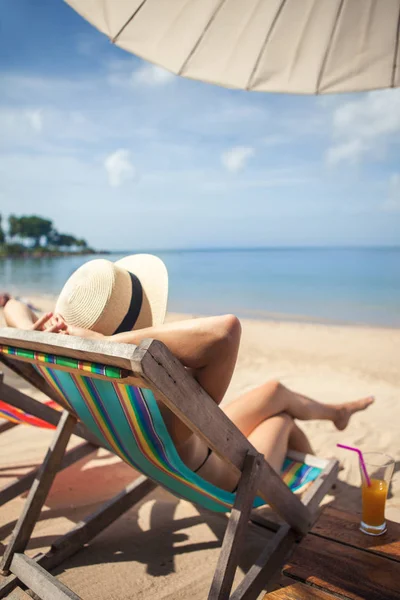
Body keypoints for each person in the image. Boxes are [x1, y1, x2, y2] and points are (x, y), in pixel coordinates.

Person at [3, 254, 374, 493]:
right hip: (225, 478)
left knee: (274, 389)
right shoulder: (156, 391)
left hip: (194, 443)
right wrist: (107, 342)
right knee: (282, 417)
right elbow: (226, 330)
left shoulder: (57, 360)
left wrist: (42, 330)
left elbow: (11, 307)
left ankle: (336, 414)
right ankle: (324, 493)